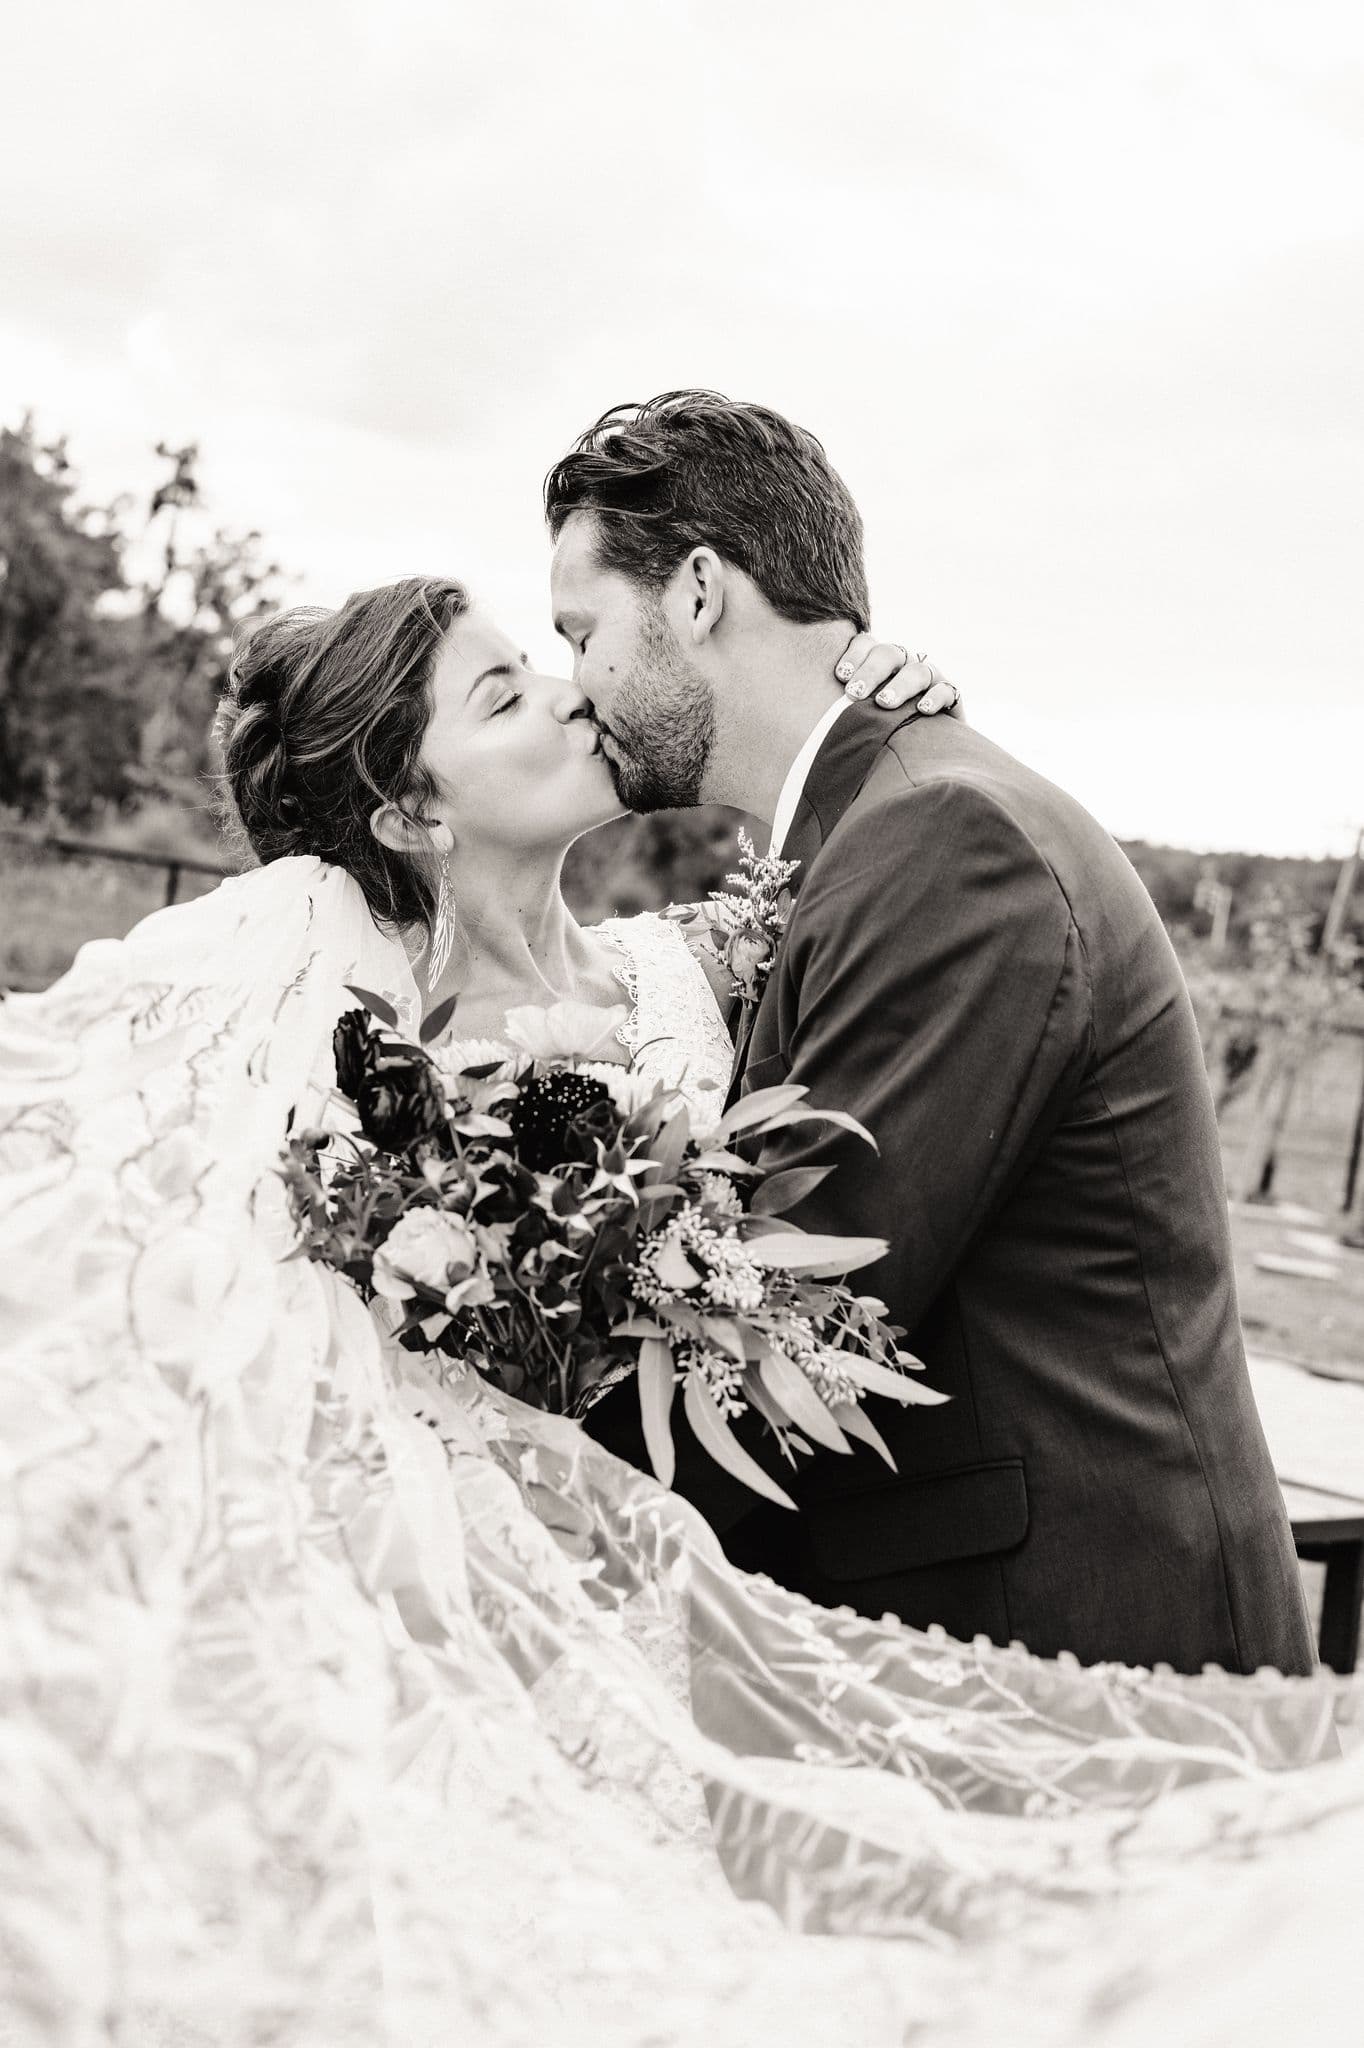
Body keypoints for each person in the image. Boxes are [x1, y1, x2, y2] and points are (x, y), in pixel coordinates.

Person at [1, 567, 1354, 2048]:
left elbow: (876, 867)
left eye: (546, 655)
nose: (570, 688)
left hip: (758, 1618)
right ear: (412, 815)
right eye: (506, 694)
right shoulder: (377, 1101)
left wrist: (858, 687)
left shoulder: (697, 957)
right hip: (556, 1649)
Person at [547, 390, 1315, 1679]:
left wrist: (516, 1544)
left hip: (1080, 1658)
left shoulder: (942, 841)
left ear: (697, 592)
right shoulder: (876, 827)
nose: (577, 686)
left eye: (581, 632)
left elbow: (789, 1324)